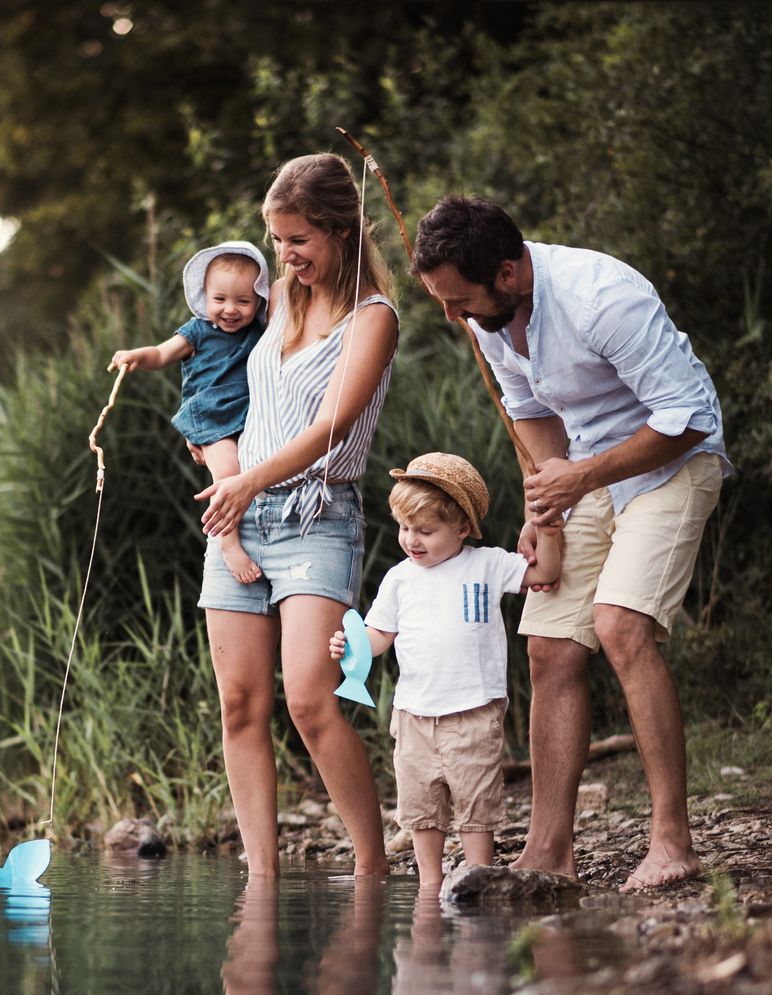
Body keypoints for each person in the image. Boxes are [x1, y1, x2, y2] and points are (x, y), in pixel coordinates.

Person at [411, 195, 732, 892]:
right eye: (442, 301)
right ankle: (549, 852)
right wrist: (545, 503)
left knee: (618, 626)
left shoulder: (601, 297)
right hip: (589, 472)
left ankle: (672, 842)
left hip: (675, 462)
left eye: (459, 300)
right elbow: (531, 415)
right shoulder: (488, 320)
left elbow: (688, 417)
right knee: (550, 644)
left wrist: (579, 475)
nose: (452, 316)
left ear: (506, 273)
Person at [195, 152, 400, 877]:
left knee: (312, 700)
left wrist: (247, 481)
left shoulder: (375, 318)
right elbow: (211, 386)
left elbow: (332, 430)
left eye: (299, 240)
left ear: (341, 231)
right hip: (239, 517)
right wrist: (226, 474)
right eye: (279, 241)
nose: (284, 256)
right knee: (239, 705)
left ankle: (373, 867)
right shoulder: (276, 296)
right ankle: (262, 877)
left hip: (319, 516)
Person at [327, 452, 563, 891]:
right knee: (421, 808)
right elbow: (379, 635)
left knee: (476, 804)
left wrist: (547, 530)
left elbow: (546, 570)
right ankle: (429, 887)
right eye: (404, 528)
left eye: (426, 531)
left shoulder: (486, 563)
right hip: (415, 715)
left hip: (474, 710)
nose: (411, 540)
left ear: (462, 528)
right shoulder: (400, 578)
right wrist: (350, 645)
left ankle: (477, 879)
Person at [110, 241, 272, 583]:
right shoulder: (198, 330)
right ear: (204, 296)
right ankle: (228, 544)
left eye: (243, 301)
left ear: (258, 299)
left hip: (249, 416)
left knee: (256, 469)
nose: (230, 309)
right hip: (211, 417)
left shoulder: (260, 333)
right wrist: (137, 356)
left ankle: (260, 531)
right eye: (220, 300)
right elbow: (161, 353)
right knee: (228, 472)